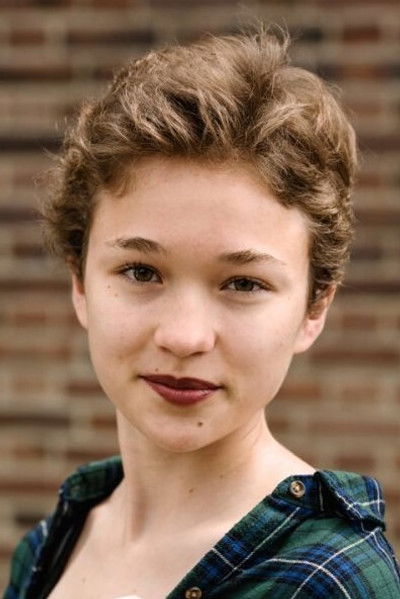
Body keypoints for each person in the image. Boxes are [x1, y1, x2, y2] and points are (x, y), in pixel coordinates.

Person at [4, 24, 400, 599]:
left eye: (243, 283)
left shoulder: (326, 579)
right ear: (80, 282)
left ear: (314, 308)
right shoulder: (50, 545)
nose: (185, 336)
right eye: (141, 272)